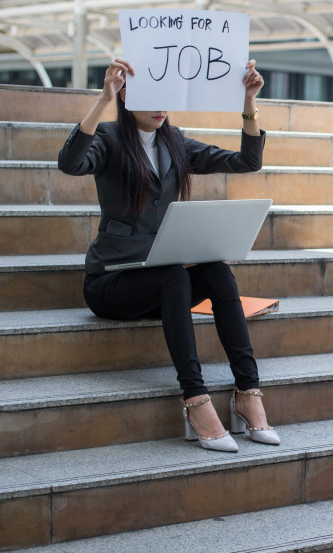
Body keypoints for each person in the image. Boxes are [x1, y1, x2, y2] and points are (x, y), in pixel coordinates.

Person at [57, 57, 280, 452]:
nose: (161, 107)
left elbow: (248, 161)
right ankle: (195, 400)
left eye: (167, 98)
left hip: (159, 284)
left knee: (217, 272)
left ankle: (248, 392)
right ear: (127, 96)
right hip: (110, 282)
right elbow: (70, 163)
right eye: (151, 97)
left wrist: (249, 102)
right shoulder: (108, 138)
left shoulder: (175, 142)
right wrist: (104, 99)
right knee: (174, 274)